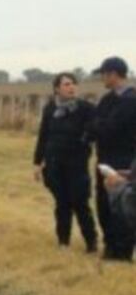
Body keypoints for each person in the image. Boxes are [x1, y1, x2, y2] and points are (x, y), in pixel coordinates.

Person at [32, 72, 98, 251]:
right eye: (67, 84)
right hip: (54, 164)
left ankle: (91, 243)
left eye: (73, 84)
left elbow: (95, 130)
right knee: (62, 204)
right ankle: (63, 242)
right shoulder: (50, 109)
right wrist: (37, 163)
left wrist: (86, 138)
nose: (71, 87)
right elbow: (43, 136)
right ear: (57, 89)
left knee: (80, 203)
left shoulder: (86, 108)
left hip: (77, 165)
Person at [90, 56, 136, 261]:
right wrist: (98, 127)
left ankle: (122, 251)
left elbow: (111, 128)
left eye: (104, 74)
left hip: (124, 159)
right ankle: (110, 244)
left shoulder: (131, 100)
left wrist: (99, 126)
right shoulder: (107, 99)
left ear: (114, 74)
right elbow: (93, 126)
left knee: (123, 205)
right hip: (104, 157)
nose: (102, 78)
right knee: (103, 203)